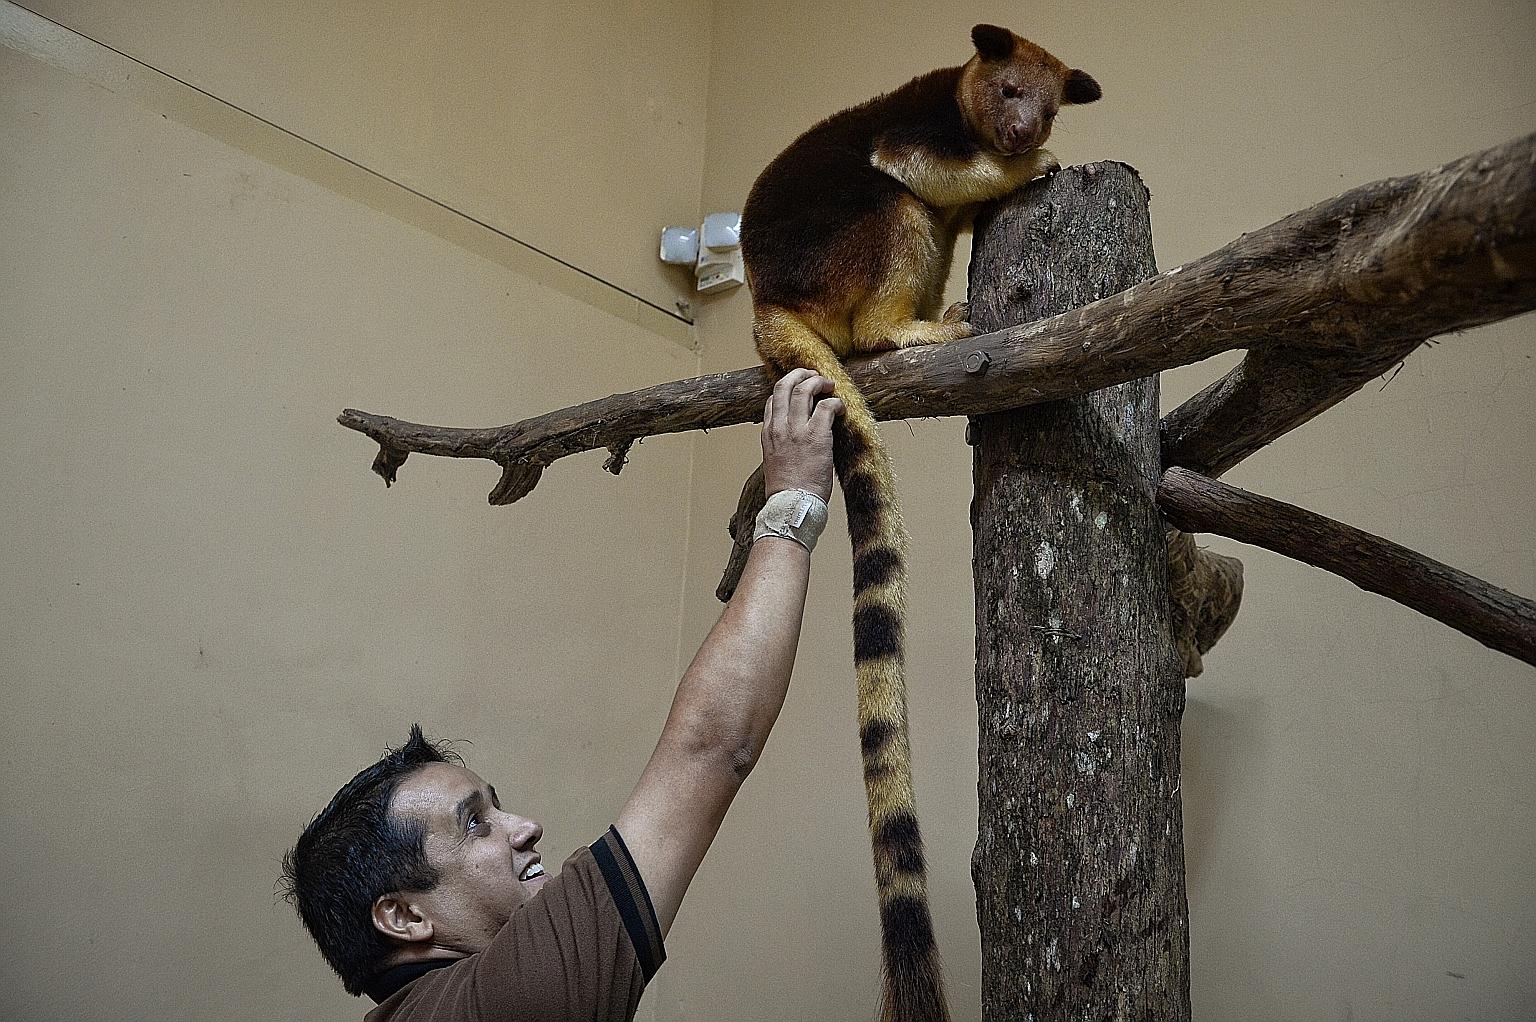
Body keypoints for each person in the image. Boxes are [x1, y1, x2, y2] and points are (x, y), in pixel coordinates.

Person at [282, 369, 844, 1020]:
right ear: (405, 915)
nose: (527, 828)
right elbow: (714, 748)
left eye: (495, 809)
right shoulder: (511, 999)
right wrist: (793, 505)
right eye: (475, 824)